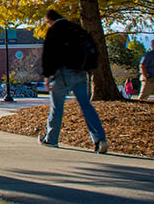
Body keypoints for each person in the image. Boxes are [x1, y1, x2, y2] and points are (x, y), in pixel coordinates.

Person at [38, 10, 108, 153]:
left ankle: (51, 139)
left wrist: (47, 75)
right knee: (86, 106)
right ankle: (100, 139)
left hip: (62, 74)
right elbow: (92, 46)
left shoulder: (55, 30)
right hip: (80, 72)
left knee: (57, 107)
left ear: (50, 20)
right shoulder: (76, 28)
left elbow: (48, 53)